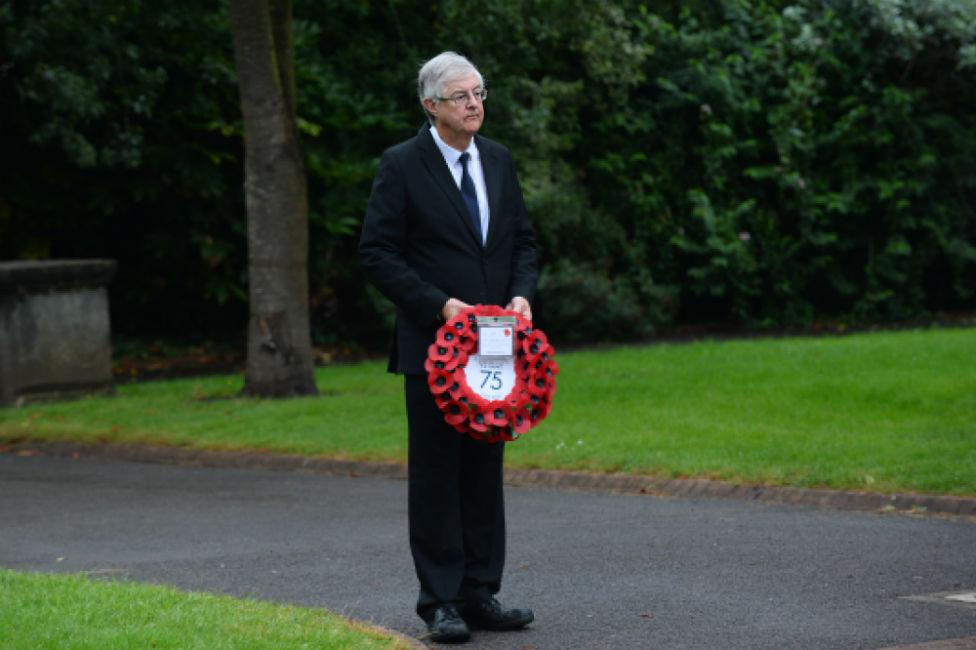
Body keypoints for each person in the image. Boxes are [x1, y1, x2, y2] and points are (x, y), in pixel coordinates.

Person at [359, 51, 538, 643]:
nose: (475, 104)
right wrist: (440, 305)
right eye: (461, 96)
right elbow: (378, 255)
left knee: (484, 470)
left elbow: (522, 242)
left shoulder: (500, 161)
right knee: (437, 476)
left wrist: (521, 297)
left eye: (480, 92)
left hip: (494, 351)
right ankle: (440, 603)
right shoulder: (402, 165)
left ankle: (481, 593)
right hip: (433, 349)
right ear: (431, 105)